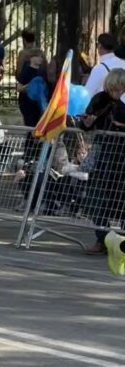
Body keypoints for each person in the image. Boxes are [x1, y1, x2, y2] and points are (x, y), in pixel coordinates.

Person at [79, 68, 125, 257]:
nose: (115, 93)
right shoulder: (101, 99)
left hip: (121, 156)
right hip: (104, 154)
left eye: (119, 89)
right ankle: (103, 239)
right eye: (112, 89)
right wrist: (87, 122)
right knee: (94, 198)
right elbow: (86, 123)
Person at [84, 33, 125, 97]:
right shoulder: (123, 63)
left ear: (99, 46)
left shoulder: (99, 68)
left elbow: (87, 94)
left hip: (108, 102)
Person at [16, 49, 48, 127]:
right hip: (27, 102)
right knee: (30, 125)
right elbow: (19, 88)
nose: (40, 58)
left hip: (39, 103)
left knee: (37, 126)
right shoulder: (26, 70)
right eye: (38, 56)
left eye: (42, 57)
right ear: (31, 58)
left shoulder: (43, 72)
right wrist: (31, 86)